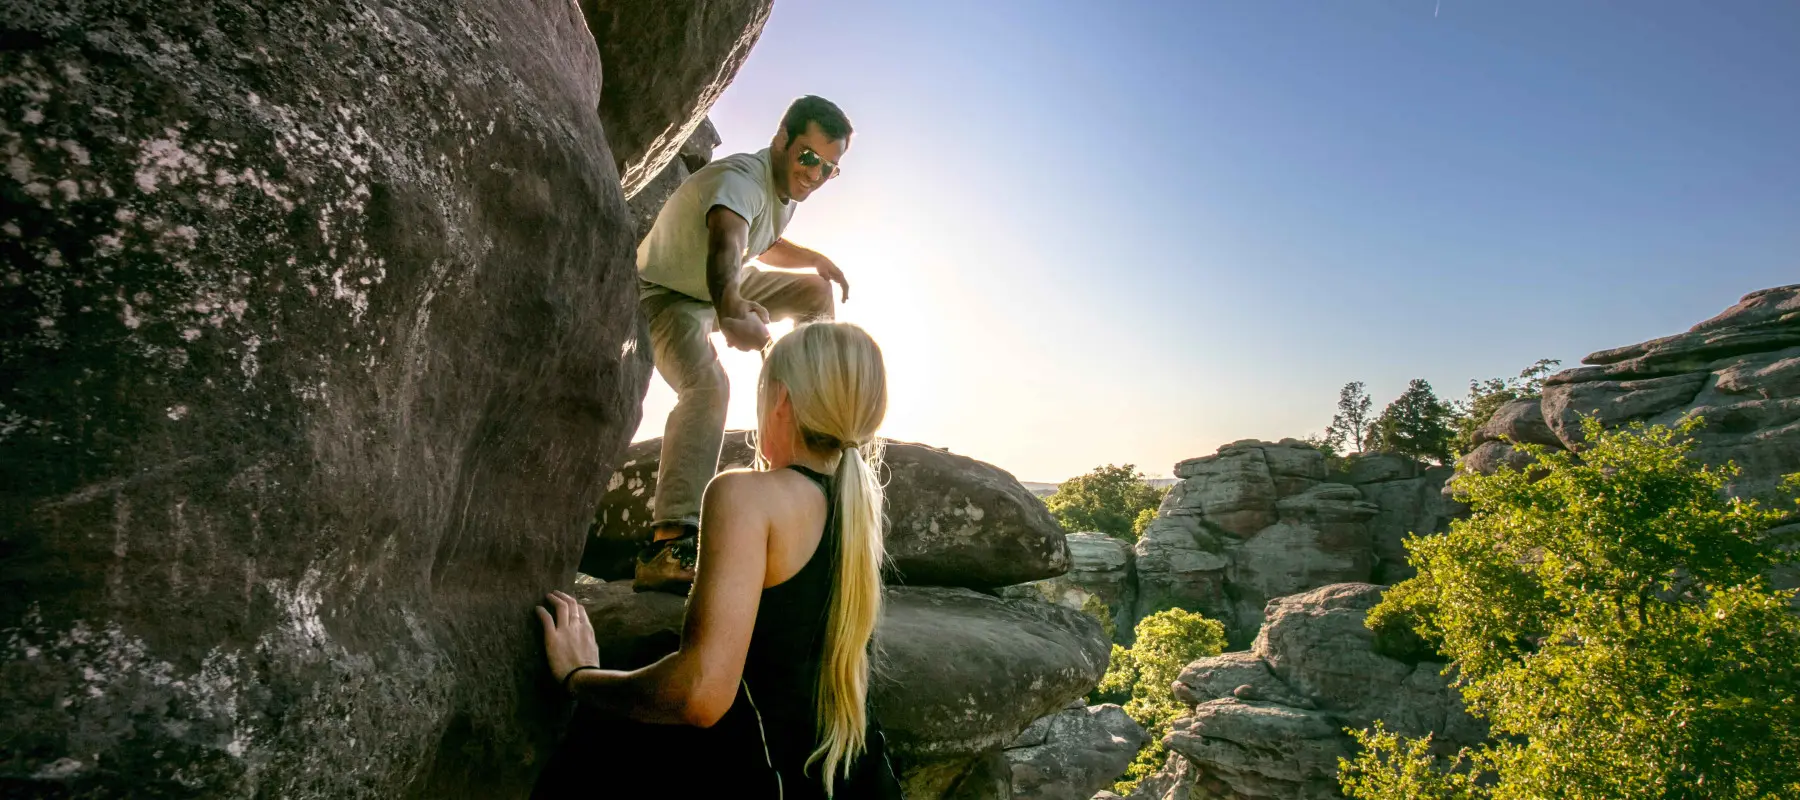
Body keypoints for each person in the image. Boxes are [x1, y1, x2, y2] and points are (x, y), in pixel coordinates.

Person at [536, 321, 902, 799]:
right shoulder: (858, 515)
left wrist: (580, 677)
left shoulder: (746, 496)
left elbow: (702, 694)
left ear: (781, 401)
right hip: (858, 783)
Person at [634, 95, 855, 592]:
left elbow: (763, 241)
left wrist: (814, 260)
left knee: (815, 294)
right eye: (808, 157)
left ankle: (809, 415)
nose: (814, 175)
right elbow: (727, 244)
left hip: (717, 284)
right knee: (708, 387)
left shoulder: (784, 191)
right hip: (667, 294)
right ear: (782, 139)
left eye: (828, 168)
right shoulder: (741, 180)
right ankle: (669, 544)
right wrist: (733, 311)